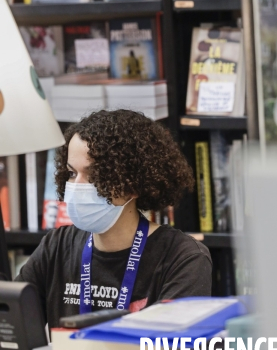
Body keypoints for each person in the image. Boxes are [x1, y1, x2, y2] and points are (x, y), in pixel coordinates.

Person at [16, 110, 212, 329]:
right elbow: (13, 321)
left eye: (94, 175)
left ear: (133, 185)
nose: (76, 186)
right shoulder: (57, 245)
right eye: (72, 173)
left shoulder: (183, 258)